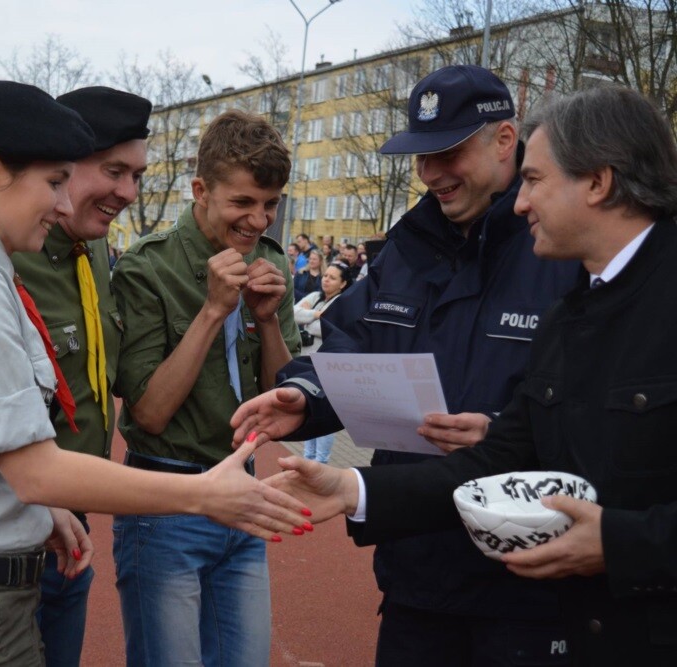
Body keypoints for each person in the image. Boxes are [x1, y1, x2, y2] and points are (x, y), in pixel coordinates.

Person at [0, 80, 309, 667]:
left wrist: (43, 509)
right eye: (56, 182)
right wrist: (202, 494)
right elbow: (37, 468)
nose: (63, 204)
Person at [253, 85, 677, 667]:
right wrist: (351, 488)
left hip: (563, 616)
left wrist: (617, 543)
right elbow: (498, 456)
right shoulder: (573, 311)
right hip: (442, 581)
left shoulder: (594, 293)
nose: (521, 203)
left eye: (534, 180)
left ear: (598, 183)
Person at [111, 109, 303, 667]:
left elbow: (285, 404)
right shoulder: (149, 267)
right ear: (200, 191)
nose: (258, 220)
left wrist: (267, 321)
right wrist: (214, 310)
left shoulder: (271, 262)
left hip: (243, 497)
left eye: (271, 204)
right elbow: (150, 413)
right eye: (243, 202)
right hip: (165, 501)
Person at [14, 85, 151, 667]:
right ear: (63, 165)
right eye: (114, 171)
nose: (128, 192)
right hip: (8, 538)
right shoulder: (7, 254)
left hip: (71, 531)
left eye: (137, 176)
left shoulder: (93, 251)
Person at [293, 262, 350, 463]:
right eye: (326, 275)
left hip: (328, 365)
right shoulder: (315, 296)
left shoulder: (343, 302)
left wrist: (307, 319)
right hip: (308, 362)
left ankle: (321, 462)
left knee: (324, 412)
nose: (326, 280)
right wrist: (316, 315)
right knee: (309, 411)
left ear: (343, 284)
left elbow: (327, 328)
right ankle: (308, 459)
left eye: (333, 278)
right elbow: (292, 314)